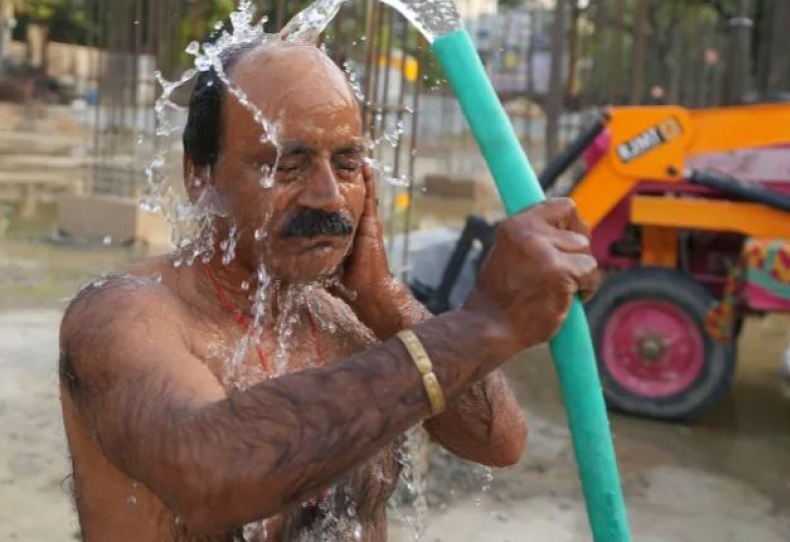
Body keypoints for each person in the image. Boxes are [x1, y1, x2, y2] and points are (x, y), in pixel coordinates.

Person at [58, 41, 598, 541]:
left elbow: (498, 441)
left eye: (346, 165)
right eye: (286, 166)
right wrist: (482, 326)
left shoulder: (359, 318)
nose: (327, 196)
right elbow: (211, 473)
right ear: (200, 175)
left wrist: (386, 299)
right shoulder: (124, 315)